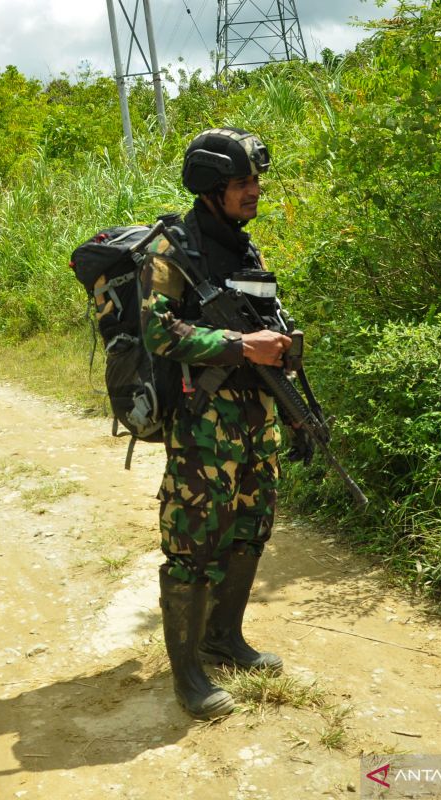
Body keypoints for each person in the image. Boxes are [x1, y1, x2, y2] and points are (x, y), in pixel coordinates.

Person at [142, 128, 296, 720]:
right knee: (194, 544)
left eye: (255, 180)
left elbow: (266, 330)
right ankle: (188, 676)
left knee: (251, 528)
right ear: (211, 189)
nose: (254, 190)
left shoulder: (242, 247)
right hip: (204, 424)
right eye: (242, 183)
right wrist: (240, 344)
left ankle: (223, 637)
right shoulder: (172, 251)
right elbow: (160, 333)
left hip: (257, 418)